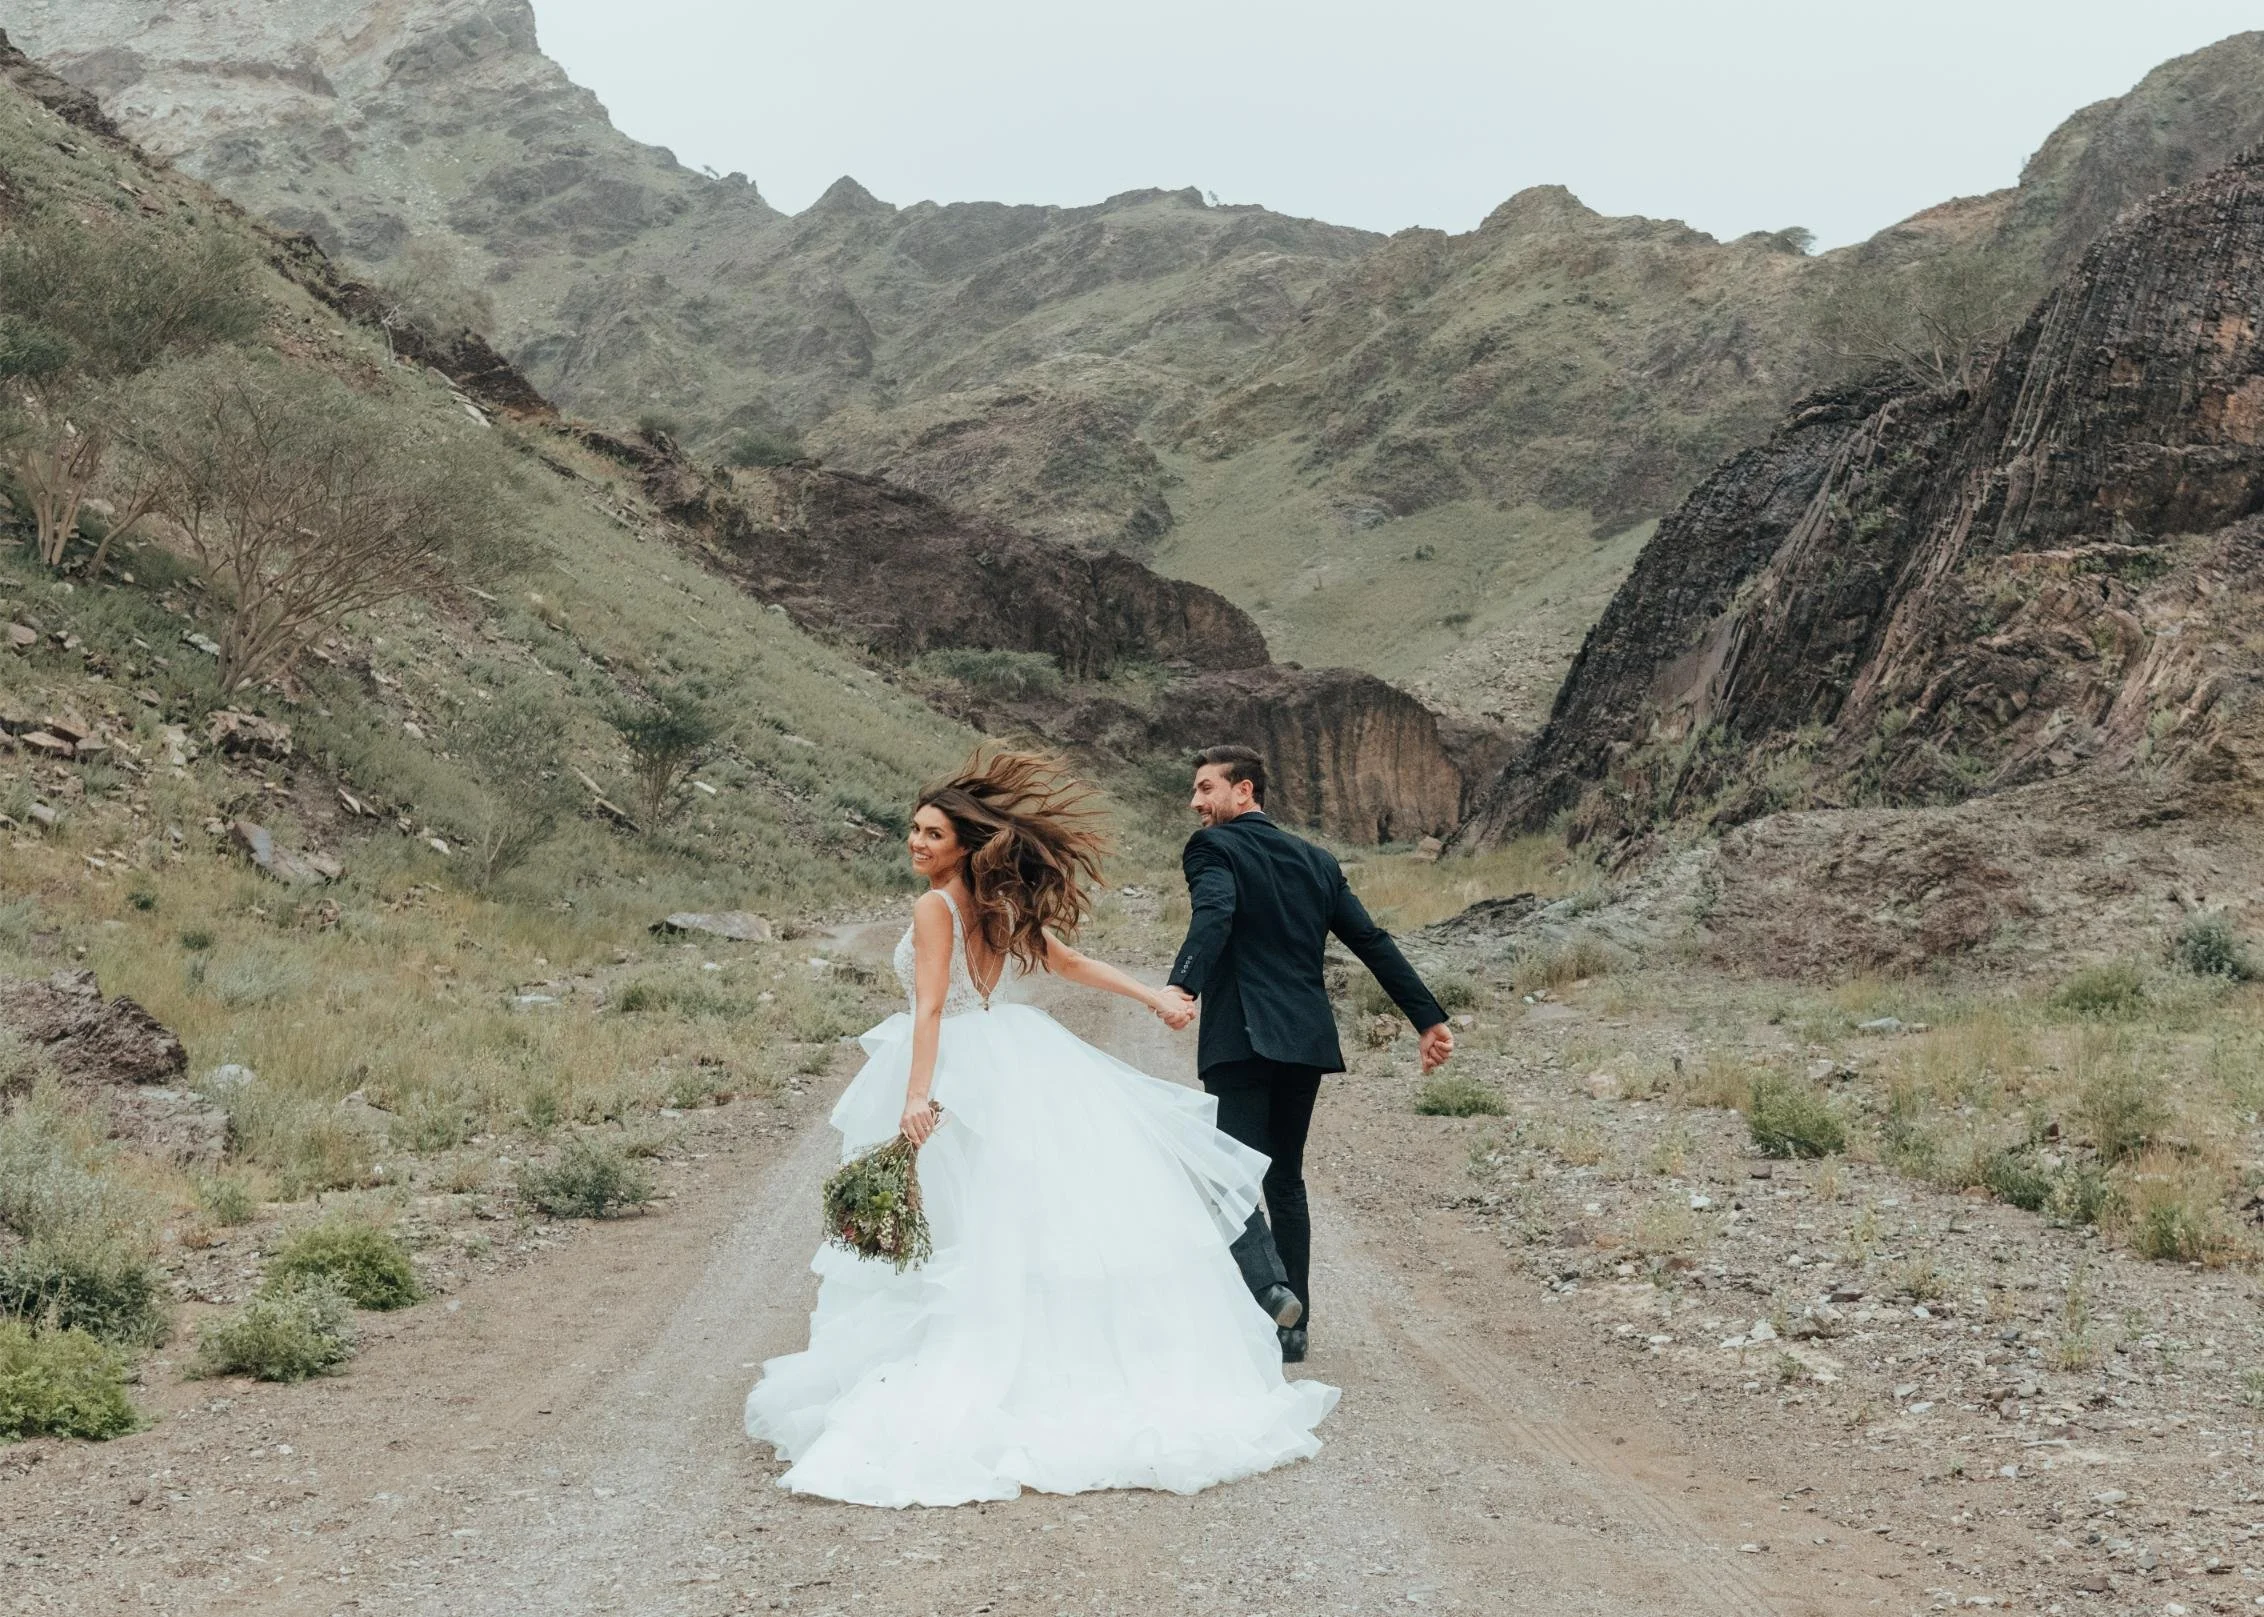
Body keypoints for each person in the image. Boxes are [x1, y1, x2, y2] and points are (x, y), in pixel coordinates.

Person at [745, 751, 1337, 1508]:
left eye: (931, 833)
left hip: (958, 1068)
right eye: (913, 831)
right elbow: (1075, 963)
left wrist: (916, 1096)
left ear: (964, 843)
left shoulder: (937, 909)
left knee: (969, 1224)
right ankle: (1044, 1359)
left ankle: (981, 1364)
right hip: (1014, 1055)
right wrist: (1153, 997)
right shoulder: (997, 906)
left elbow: (930, 1006)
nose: (916, 843)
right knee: (1014, 1219)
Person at [1160, 745, 1453, 1363]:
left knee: (1232, 1176)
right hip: (1304, 1040)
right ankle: (1293, 1331)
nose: (1196, 802)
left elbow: (1215, 912)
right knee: (1285, 1177)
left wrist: (1183, 985)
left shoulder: (1212, 848)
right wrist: (1426, 1019)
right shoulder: (1316, 860)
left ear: (1245, 792)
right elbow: (1370, 939)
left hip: (1240, 1038)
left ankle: (1268, 1295)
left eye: (1206, 788)